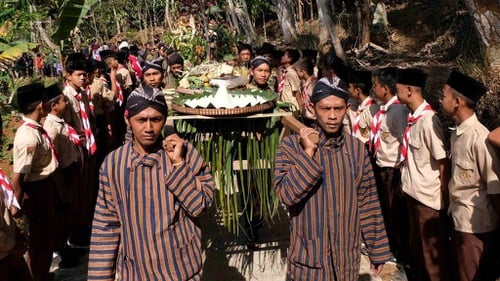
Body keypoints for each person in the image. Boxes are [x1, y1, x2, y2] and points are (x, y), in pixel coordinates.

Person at [88, 86, 214, 280]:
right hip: (136, 271)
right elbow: (105, 227)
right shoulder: (113, 164)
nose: (148, 128)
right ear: (127, 119)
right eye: (141, 120)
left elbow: (201, 206)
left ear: (164, 120)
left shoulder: (184, 153)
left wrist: (179, 166)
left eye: (156, 120)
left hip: (180, 271)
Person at [274, 80, 391, 280]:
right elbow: (286, 195)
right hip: (308, 259)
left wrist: (377, 248)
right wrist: (309, 152)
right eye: (325, 108)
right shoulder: (291, 147)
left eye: (338, 108)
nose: (332, 116)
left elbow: (368, 201)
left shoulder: (356, 150)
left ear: (347, 108)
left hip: (345, 259)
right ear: (312, 108)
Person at [439, 70, 500, 281]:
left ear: (456, 102)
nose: (440, 99)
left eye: (443, 95)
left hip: (477, 227)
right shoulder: (457, 133)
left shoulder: (479, 138)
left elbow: (494, 188)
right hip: (459, 220)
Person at [396, 68, 451, 281]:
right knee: (418, 253)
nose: (396, 91)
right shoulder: (412, 119)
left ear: (409, 90)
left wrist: (444, 198)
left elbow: (443, 162)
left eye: (398, 88)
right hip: (413, 195)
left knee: (432, 260)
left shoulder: (428, 121)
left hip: (427, 201)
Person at [11, 82, 58, 281]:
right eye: (46, 101)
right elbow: (19, 176)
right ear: (41, 104)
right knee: (39, 242)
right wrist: (15, 207)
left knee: (46, 239)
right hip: (37, 192)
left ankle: (43, 274)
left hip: (46, 187)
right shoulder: (28, 137)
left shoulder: (36, 130)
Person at [369, 67, 411, 272]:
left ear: (385, 89)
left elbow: (406, 142)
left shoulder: (398, 112)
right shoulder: (384, 110)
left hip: (394, 171)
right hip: (383, 167)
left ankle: (404, 256)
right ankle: (394, 247)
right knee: (388, 211)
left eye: (376, 85)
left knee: (397, 214)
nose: (373, 89)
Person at [347, 69, 379, 143]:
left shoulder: (372, 110)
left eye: (349, 87)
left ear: (358, 90)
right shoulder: (358, 107)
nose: (347, 90)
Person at [295, 57, 317, 123]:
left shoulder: (313, 85)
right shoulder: (305, 83)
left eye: (297, 71)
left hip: (313, 119)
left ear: (303, 72)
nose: (296, 73)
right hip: (307, 117)